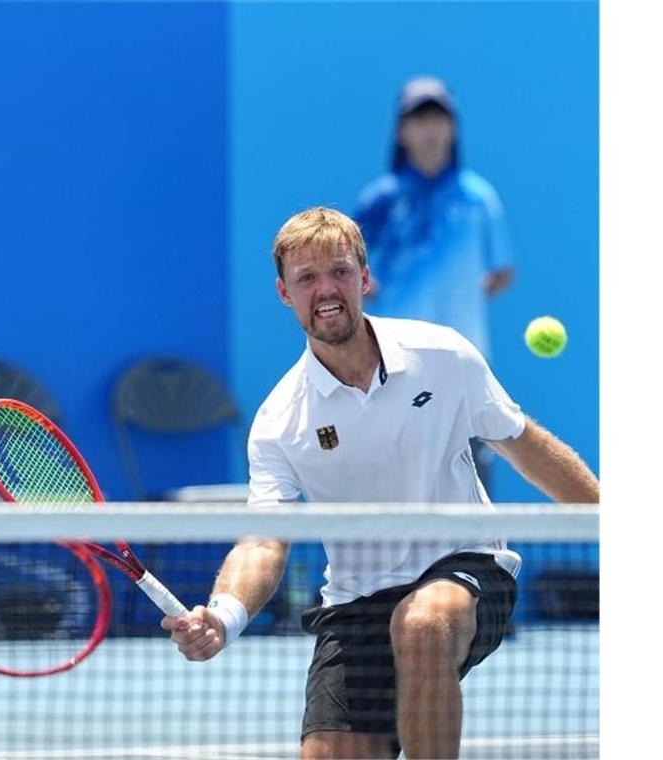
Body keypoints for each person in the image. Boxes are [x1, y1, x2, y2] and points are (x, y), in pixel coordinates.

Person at [162, 207, 598, 759]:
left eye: (339, 272)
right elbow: (264, 539)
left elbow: (524, 446)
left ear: (364, 279)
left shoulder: (443, 356)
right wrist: (223, 616)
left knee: (420, 624)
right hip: (355, 603)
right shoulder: (279, 421)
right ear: (284, 293)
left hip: (465, 566)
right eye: (307, 278)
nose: (327, 290)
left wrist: (614, 518)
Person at [354, 76, 513, 495]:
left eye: (438, 118)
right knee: (392, 487)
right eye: (418, 119)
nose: (429, 130)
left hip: (466, 365)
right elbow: (349, 272)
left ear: (453, 128)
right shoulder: (379, 201)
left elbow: (501, 272)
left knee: (474, 488)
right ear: (401, 132)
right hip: (393, 366)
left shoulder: (480, 198)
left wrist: (458, 294)